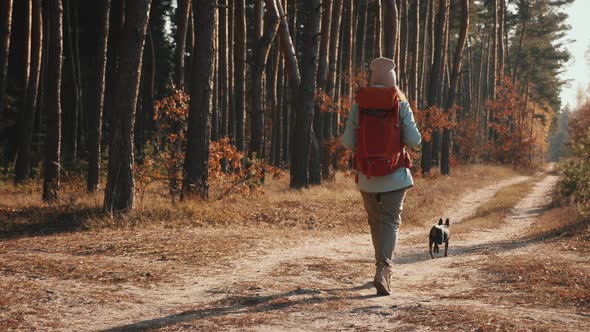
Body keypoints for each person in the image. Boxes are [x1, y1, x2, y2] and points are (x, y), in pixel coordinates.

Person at [341, 57, 421, 296]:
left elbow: (347, 141)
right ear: (393, 80)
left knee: (376, 222)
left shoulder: (360, 104)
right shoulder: (400, 103)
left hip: (367, 175)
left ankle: (380, 267)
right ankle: (383, 270)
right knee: (390, 221)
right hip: (395, 174)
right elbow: (414, 140)